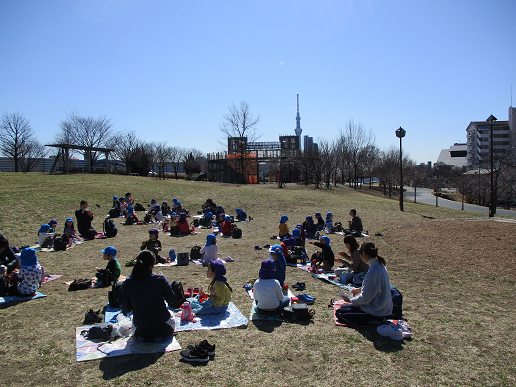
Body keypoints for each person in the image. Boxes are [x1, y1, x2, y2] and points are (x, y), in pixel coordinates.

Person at [121, 250, 177, 340]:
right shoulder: (160, 279)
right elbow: (172, 300)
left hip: (141, 330)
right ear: (153, 264)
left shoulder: (128, 283)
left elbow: (126, 309)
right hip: (164, 328)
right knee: (171, 314)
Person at [336, 241, 393, 326]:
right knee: (344, 308)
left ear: (364, 253)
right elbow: (375, 287)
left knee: (340, 313)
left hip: (375, 311)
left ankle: (373, 321)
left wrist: (350, 300)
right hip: (383, 308)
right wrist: (359, 290)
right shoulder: (379, 266)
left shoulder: (374, 270)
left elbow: (365, 298)